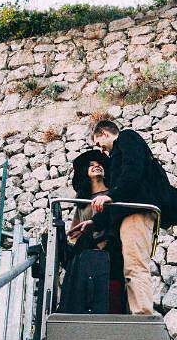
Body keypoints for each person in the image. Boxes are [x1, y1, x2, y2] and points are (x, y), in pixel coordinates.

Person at [90, 120, 161, 316]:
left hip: (135, 213)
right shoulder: (117, 154)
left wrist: (111, 195)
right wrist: (93, 222)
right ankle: (137, 313)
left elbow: (132, 173)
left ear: (104, 133)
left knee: (135, 266)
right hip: (130, 212)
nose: (101, 150)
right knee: (131, 266)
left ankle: (143, 315)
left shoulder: (127, 138)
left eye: (98, 143)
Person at [65, 149, 126, 314]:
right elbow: (74, 232)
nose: (96, 166)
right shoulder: (83, 201)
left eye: (99, 164)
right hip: (90, 249)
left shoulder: (113, 194)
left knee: (113, 284)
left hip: (113, 246)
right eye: (91, 165)